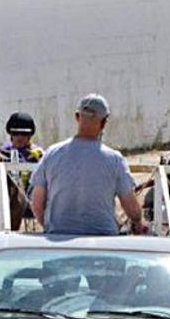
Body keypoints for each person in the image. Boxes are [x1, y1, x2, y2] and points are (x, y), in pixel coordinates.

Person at [29, 94, 148, 236]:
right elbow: (131, 207)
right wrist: (138, 221)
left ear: (77, 117)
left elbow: (36, 204)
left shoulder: (52, 153)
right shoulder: (114, 159)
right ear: (104, 123)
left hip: (58, 236)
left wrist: (48, 227)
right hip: (104, 239)